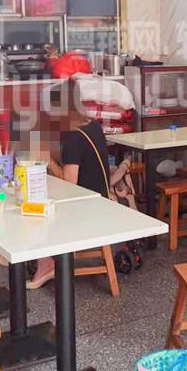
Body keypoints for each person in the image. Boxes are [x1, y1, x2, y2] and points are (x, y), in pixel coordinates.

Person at [26, 81, 112, 289]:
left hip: (87, 210)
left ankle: (46, 264)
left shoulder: (73, 137)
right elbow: (79, 161)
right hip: (102, 201)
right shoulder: (92, 126)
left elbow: (69, 184)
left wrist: (48, 161)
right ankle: (45, 260)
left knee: (36, 209)